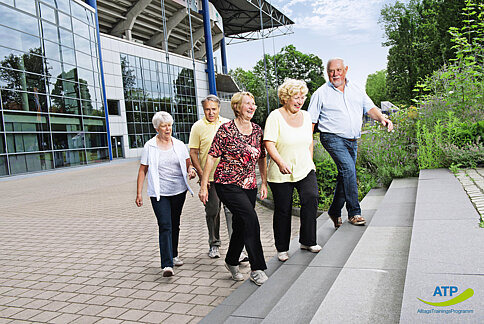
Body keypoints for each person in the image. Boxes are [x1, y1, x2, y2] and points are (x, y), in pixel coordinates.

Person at [308, 58, 393, 228]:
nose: (335, 74)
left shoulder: (356, 89)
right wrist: (307, 149)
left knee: (345, 174)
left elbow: (370, 108)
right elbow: (310, 122)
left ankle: (334, 210)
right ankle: (354, 212)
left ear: (345, 70)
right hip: (331, 137)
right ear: (327, 73)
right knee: (348, 169)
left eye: (338, 70)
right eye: (331, 71)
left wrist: (382, 118)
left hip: (353, 140)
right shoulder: (320, 93)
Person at [199, 92, 269, 286]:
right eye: (248, 103)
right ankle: (257, 268)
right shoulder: (226, 129)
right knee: (250, 218)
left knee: (240, 225)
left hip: (248, 185)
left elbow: (262, 157)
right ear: (237, 107)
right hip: (226, 183)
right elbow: (212, 156)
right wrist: (204, 185)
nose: (252, 106)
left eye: (253, 103)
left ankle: (231, 261)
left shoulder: (257, 130)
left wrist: (263, 182)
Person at [264, 79, 321, 262]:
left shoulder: (306, 116)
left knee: (311, 197)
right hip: (281, 172)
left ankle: (308, 241)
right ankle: (282, 248)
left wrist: (310, 162)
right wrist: (280, 162)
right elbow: (269, 143)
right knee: (283, 209)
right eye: (296, 97)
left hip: (304, 168)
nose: (300, 100)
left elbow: (309, 141)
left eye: (303, 97)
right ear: (286, 98)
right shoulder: (275, 116)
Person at [136, 111, 197, 277]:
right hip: (159, 192)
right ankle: (167, 264)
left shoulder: (178, 144)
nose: (168, 128)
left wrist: (190, 171)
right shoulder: (150, 146)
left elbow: (188, 164)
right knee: (165, 225)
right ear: (157, 128)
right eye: (164, 126)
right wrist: (139, 193)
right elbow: (143, 170)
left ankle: (174, 254)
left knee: (175, 223)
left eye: (169, 125)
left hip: (178, 190)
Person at [189, 95, 248, 262]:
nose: (211, 112)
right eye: (207, 109)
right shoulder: (198, 127)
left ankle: (238, 249)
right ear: (204, 110)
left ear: (219, 109)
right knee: (212, 211)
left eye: (214, 109)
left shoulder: (227, 124)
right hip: (210, 179)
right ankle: (214, 243)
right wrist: (202, 175)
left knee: (232, 213)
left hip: (229, 178)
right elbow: (193, 152)